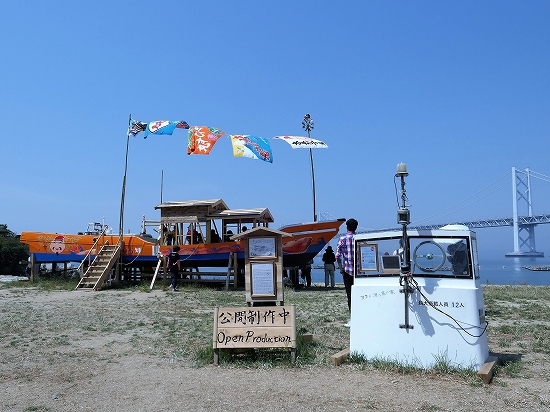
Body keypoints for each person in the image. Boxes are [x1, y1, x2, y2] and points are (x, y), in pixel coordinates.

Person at [336, 218, 358, 327]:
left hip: (348, 271)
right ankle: (360, 317)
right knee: (359, 295)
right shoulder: (360, 239)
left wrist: (341, 269)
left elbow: (337, 256)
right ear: (356, 227)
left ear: (346, 227)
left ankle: (353, 319)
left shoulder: (342, 238)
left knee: (350, 295)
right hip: (360, 273)